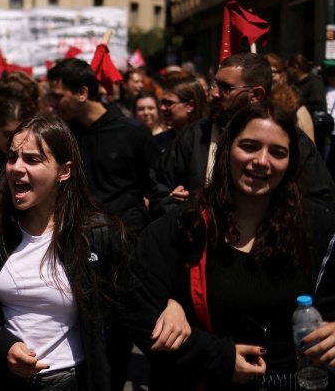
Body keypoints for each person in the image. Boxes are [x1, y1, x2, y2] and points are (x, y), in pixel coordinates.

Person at [0, 117, 188, 391]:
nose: (17, 168)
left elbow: (135, 305)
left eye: (32, 160)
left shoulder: (99, 236)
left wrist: (173, 305)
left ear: (64, 171)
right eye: (12, 158)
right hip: (2, 382)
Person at [126, 101, 335, 391]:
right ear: (226, 150)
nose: (262, 160)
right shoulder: (180, 227)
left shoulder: (318, 228)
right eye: (249, 146)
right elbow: (138, 311)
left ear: (291, 163)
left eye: (278, 152)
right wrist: (218, 357)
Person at [46, 58, 162, 391]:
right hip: (73, 250)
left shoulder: (133, 132)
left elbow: (157, 190)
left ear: (83, 92)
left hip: (121, 255)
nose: (52, 104)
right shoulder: (64, 136)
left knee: (116, 338)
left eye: (57, 96)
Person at [153, 53, 335, 219]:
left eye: (226, 88)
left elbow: (321, 202)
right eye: (215, 84)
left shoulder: (290, 139)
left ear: (255, 94)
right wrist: (185, 212)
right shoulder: (197, 134)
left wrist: (280, 218)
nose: (213, 94)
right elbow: (159, 189)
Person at [266, 53, 315, 144]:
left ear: (281, 76)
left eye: (273, 72)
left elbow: (310, 150)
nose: (268, 77)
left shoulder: (297, 109)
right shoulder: (250, 104)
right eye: (263, 72)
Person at [155, 77, 208, 152]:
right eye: (163, 102)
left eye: (169, 103)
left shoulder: (209, 141)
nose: (163, 108)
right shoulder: (158, 142)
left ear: (190, 105)